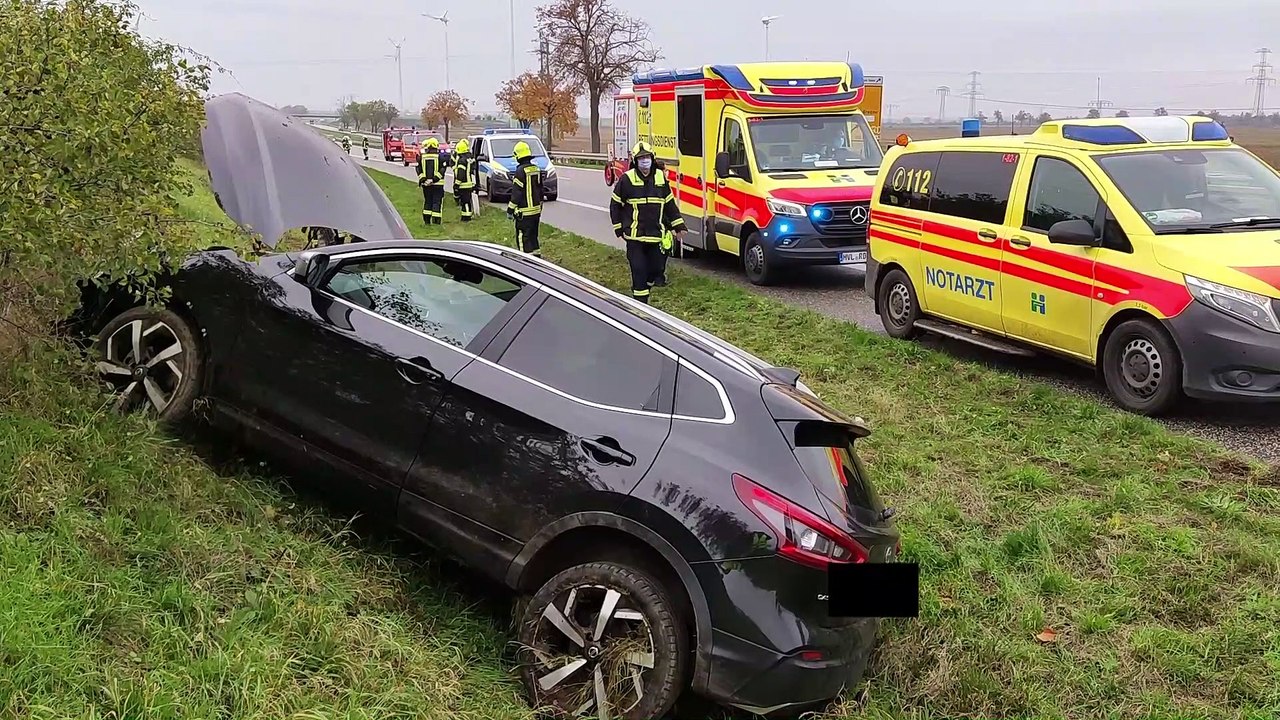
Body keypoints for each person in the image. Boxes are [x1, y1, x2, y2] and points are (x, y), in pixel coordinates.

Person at [609, 141, 685, 303]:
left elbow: (669, 204)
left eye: (647, 157)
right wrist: (618, 228)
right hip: (634, 238)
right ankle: (641, 306)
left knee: (656, 270)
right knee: (639, 271)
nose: (645, 161)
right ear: (635, 161)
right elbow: (615, 205)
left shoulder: (659, 178)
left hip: (655, 236)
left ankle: (645, 288)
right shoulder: (627, 180)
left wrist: (678, 225)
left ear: (652, 158)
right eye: (641, 158)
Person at [506, 140, 544, 256]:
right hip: (536, 211)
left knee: (523, 238)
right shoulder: (536, 169)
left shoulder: (520, 171)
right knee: (533, 237)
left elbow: (517, 193)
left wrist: (510, 210)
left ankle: (524, 261)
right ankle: (536, 258)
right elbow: (541, 189)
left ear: (518, 156)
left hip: (524, 213)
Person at [417, 136, 445, 225]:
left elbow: (418, 169)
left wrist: (423, 179)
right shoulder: (440, 157)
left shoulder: (422, 157)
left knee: (428, 201)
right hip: (437, 185)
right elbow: (442, 171)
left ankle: (427, 221)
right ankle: (436, 222)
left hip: (426, 185)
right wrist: (434, 180)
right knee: (436, 202)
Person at [452, 138, 477, 222]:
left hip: (464, 184)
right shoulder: (470, 158)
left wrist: (456, 184)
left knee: (465, 202)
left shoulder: (461, 160)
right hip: (470, 183)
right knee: (467, 201)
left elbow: (461, 174)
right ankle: (467, 215)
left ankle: (466, 217)